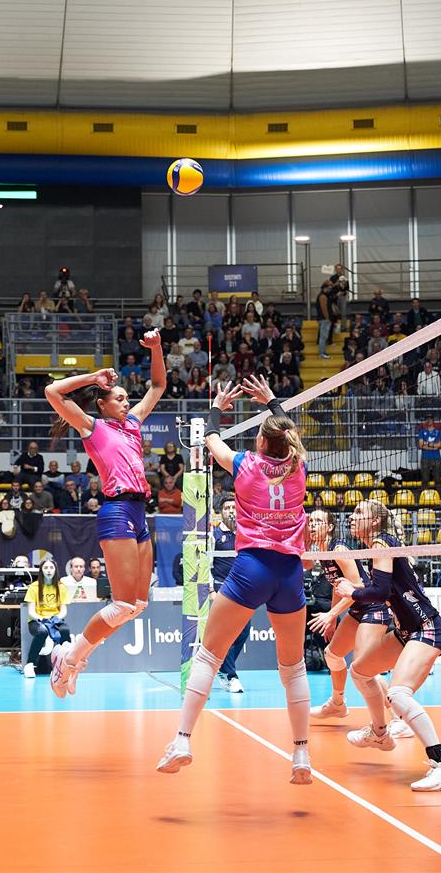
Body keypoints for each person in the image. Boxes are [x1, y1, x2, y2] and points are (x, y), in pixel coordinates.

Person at [158, 374, 312, 784]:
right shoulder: (298, 466)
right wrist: (272, 401)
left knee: (209, 655)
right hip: (289, 572)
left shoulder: (246, 464)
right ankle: (301, 754)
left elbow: (211, 440)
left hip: (251, 567)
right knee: (293, 666)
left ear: (260, 442)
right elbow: (290, 435)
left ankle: (182, 740)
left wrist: (217, 408)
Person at [43, 327, 166, 697]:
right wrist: (93, 377)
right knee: (122, 603)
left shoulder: (133, 424)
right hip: (116, 510)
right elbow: (53, 392)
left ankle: (70, 656)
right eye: (120, 398)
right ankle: (69, 660)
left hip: (140, 511)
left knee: (138, 605)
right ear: (102, 404)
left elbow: (158, 385)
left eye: (128, 398)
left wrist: (156, 348)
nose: (127, 403)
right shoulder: (92, 427)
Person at [335, 502, 441, 791]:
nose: (352, 517)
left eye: (359, 513)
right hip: (406, 630)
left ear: (375, 521)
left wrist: (352, 592)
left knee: (397, 694)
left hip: (427, 627)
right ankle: (380, 733)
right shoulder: (377, 547)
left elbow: (379, 592)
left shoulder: (382, 543)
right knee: (360, 672)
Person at [305, 509, 409, 737]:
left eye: (318, 521)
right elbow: (338, 587)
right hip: (356, 610)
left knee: (364, 669)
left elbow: (356, 585)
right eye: (310, 521)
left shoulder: (339, 550)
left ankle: (399, 719)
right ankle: (337, 704)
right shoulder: (323, 552)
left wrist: (331, 615)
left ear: (329, 527)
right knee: (332, 655)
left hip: (373, 607)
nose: (312, 525)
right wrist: (334, 617)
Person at [210, 495, 250, 694]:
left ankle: (220, 667)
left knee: (244, 631)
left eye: (234, 507)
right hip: (222, 590)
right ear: (221, 513)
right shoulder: (214, 536)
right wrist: (211, 590)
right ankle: (230, 675)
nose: (231, 511)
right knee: (226, 633)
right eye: (227, 508)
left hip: (243, 591)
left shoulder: (245, 534)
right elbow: (206, 565)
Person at [23, 556, 71, 679]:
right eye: (45, 568)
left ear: (55, 570)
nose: (49, 570)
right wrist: (42, 619)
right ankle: (30, 664)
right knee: (42, 632)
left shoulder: (61, 587)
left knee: (65, 631)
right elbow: (31, 611)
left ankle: (63, 666)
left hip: (55, 620)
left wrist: (55, 619)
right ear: (41, 570)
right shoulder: (34, 587)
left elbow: (63, 610)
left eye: (51, 567)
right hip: (37, 620)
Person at [418, 415, 441, 487]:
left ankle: (440, 494)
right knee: (425, 480)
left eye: (430, 419)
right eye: (427, 419)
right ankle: (424, 493)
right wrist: (434, 446)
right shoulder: (422, 432)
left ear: (433, 420)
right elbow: (421, 445)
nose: (428, 420)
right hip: (425, 458)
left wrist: (427, 444)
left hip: (436, 458)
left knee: (438, 480)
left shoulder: (438, 432)